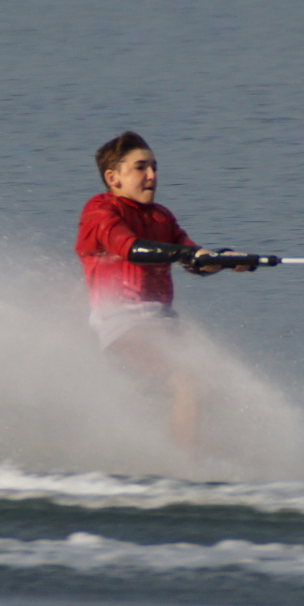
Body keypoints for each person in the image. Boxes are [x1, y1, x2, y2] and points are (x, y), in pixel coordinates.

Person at [75, 131, 248, 454]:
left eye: (154, 167)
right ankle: (184, 470)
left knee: (221, 388)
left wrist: (225, 259)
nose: (152, 176)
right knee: (187, 381)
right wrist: (187, 254)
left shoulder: (161, 217)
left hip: (164, 323)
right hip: (120, 324)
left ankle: (221, 461)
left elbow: (194, 260)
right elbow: (132, 249)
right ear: (113, 177)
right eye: (141, 167)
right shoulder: (99, 211)